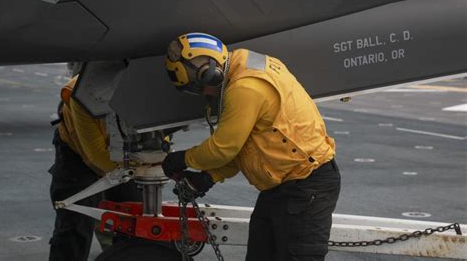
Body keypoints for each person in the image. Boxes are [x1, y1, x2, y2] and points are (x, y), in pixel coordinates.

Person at [162, 32, 341, 261]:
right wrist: (209, 177)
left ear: (210, 73)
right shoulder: (247, 66)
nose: (204, 94)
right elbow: (248, 146)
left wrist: (183, 159)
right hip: (282, 185)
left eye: (199, 87)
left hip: (307, 186)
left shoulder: (245, 88)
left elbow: (223, 148)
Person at [48, 75, 140, 261]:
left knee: (134, 219)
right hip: (77, 153)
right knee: (75, 223)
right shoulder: (82, 95)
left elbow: (159, 134)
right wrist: (137, 171)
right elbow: (96, 156)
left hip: (123, 152)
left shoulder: (145, 91)